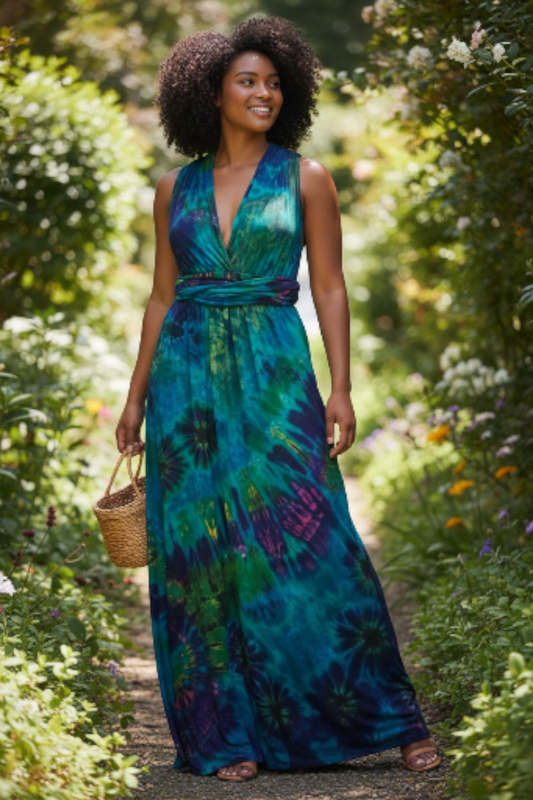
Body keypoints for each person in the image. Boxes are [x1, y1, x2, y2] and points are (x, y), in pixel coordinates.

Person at [116, 15, 441, 783]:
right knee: (201, 556)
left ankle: (391, 719)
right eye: (248, 81)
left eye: (272, 82)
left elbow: (328, 285)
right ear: (211, 93)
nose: (265, 92)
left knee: (313, 538)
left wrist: (342, 386)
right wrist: (134, 399)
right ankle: (227, 735)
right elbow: (160, 299)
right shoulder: (174, 189)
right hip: (185, 383)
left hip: (272, 374)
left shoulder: (306, 178)